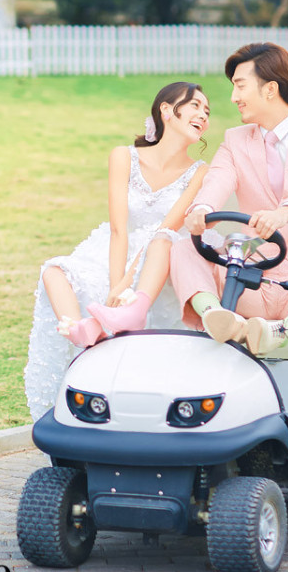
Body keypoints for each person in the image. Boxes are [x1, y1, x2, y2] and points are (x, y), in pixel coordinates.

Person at [25, 82, 210, 420]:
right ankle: (83, 333)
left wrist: (127, 284)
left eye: (207, 111)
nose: (203, 115)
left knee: (158, 248)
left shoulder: (200, 173)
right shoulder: (124, 156)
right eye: (195, 105)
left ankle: (109, 326)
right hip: (115, 250)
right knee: (55, 272)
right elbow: (118, 228)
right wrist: (116, 284)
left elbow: (165, 230)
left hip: (162, 256)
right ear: (167, 110)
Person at [171, 42, 288, 356]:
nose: (233, 97)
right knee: (183, 247)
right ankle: (217, 317)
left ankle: (282, 332)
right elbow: (218, 178)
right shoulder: (235, 140)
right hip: (248, 278)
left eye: (240, 86)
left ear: (270, 89)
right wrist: (202, 209)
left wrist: (283, 213)